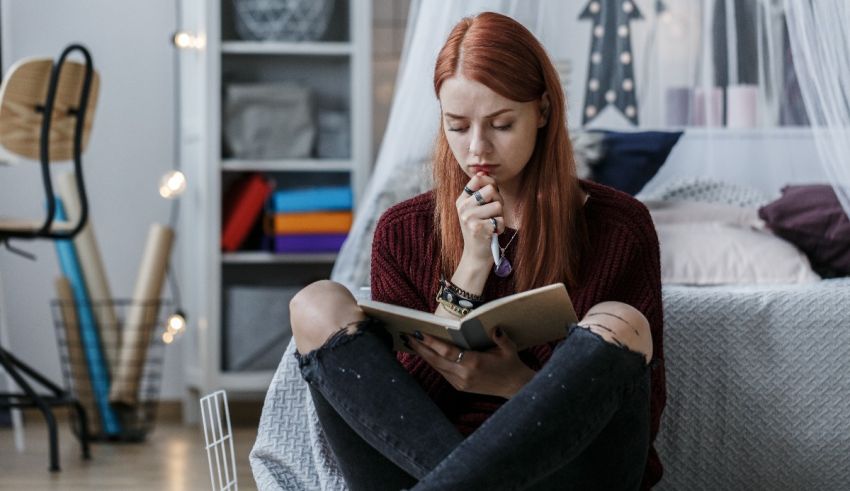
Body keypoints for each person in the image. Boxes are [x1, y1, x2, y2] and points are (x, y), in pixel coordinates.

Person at [290, 11, 665, 491]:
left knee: (622, 321)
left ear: (543, 112)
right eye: (458, 125)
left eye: (502, 124)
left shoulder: (620, 226)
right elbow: (394, 411)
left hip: (567, 472)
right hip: (419, 462)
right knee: (316, 303)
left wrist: (513, 383)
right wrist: (471, 265)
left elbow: (639, 411)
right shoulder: (402, 230)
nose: (477, 148)